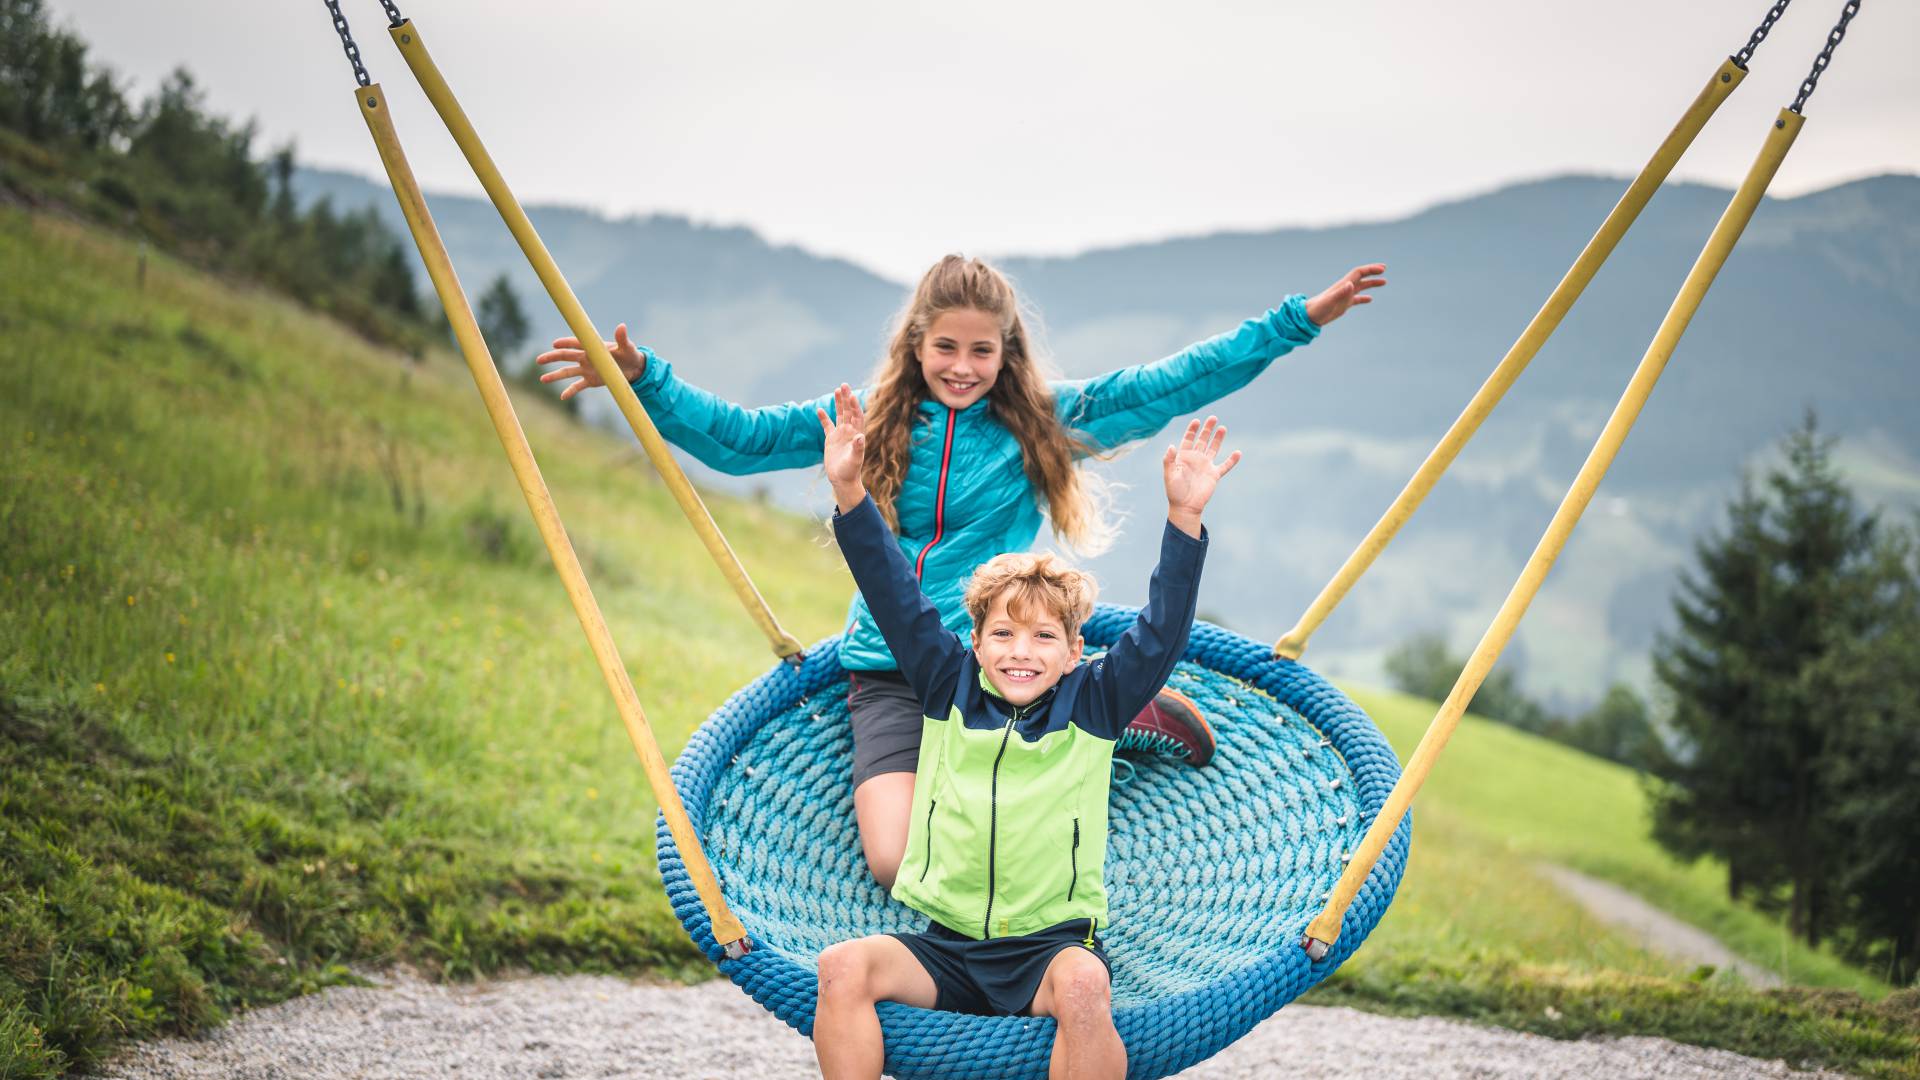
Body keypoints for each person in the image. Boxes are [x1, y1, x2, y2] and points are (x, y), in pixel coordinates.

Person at [536, 256, 1383, 886]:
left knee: (1028, 841)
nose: (964, 368)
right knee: (892, 862)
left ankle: (1108, 715)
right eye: (947, 347)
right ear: (917, 342)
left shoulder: (1043, 422)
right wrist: (646, 380)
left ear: (1008, 351)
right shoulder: (861, 420)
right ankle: (1097, 715)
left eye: (984, 351)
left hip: (1004, 664)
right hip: (895, 670)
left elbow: (1180, 377)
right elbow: (739, 439)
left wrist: (1296, 320)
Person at [810, 387, 1239, 1080]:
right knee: (842, 967)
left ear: (1074, 652)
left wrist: (1184, 519)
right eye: (1003, 633)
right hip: (946, 946)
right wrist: (852, 492)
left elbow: (1161, 635)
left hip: (1048, 952)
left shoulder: (1096, 701)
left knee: (1085, 989)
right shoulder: (947, 684)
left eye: (1044, 637)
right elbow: (893, 594)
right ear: (974, 641)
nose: (1021, 651)